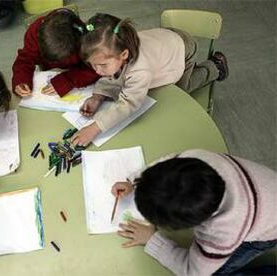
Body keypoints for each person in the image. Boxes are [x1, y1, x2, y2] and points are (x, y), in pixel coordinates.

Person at [71, 13, 229, 147]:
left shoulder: (140, 69)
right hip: (165, 39)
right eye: (92, 65)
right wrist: (97, 96)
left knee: (182, 90)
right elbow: (112, 75)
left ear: (124, 55)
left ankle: (215, 66)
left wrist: (94, 128)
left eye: (102, 65)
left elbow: (128, 103)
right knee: (121, 74)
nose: (97, 71)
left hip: (182, 49)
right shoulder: (117, 45)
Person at [111, 149, 276, 275]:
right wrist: (135, 181)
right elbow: (168, 165)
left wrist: (152, 239)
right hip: (264, 187)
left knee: (218, 270)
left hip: (267, 228)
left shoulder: (222, 233)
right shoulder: (195, 158)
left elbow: (193, 271)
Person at [12, 8, 100, 98]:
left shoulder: (87, 38)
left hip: (77, 74)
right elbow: (26, 58)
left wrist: (68, 80)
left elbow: (98, 68)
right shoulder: (34, 32)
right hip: (50, 73)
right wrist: (21, 80)